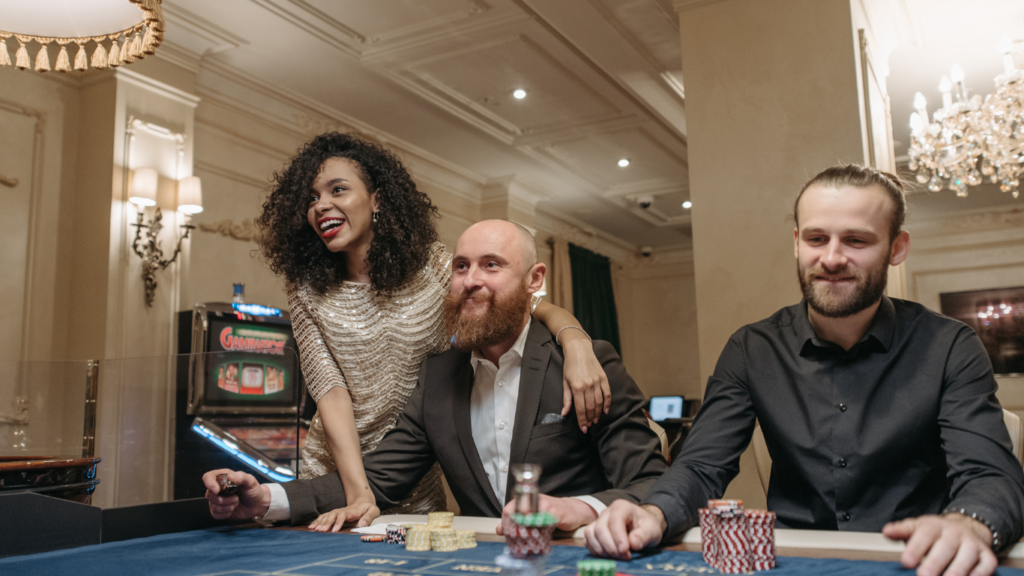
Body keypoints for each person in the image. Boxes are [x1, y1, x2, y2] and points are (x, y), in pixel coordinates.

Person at [584, 165, 1024, 576]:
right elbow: (701, 465)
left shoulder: (950, 345)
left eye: (856, 240)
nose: (831, 258)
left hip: (915, 562)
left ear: (897, 248)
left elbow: (991, 477)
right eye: (816, 239)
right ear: (796, 242)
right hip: (795, 563)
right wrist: (654, 511)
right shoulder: (751, 348)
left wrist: (970, 524)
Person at [206, 220, 667, 533]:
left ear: (534, 280)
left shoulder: (586, 364)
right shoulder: (438, 378)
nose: (471, 280)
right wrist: (265, 498)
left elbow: (650, 484)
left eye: (492, 265)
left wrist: (576, 509)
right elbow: (377, 478)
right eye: (461, 267)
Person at [255, 133, 613, 524]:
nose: (321, 205)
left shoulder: (433, 267)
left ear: (376, 199)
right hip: (339, 468)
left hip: (416, 457)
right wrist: (359, 491)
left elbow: (533, 306)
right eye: (311, 198)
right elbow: (330, 390)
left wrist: (577, 342)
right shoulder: (305, 288)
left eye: (337, 189)